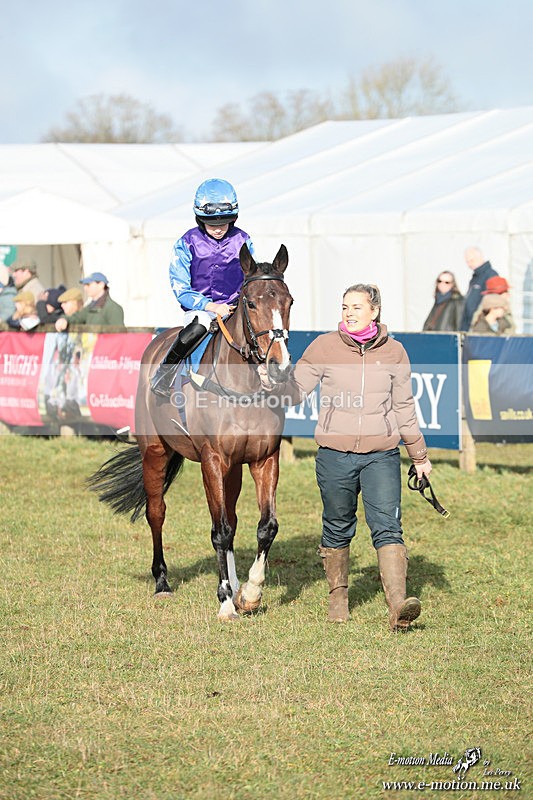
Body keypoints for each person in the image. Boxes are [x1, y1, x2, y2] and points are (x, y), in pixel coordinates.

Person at [287, 284, 432, 630]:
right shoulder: (324, 346)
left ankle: (398, 606)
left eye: (356, 307)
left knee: (388, 526)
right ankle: (338, 599)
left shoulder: (395, 352)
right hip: (334, 456)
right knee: (338, 525)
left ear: (375, 312)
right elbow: (294, 391)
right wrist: (268, 380)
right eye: (344, 307)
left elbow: (404, 407)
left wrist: (419, 455)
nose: (349, 313)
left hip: (381, 455)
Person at [150, 178, 255, 397]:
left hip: (236, 308)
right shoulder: (186, 243)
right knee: (199, 324)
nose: (218, 229)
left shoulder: (243, 240)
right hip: (200, 310)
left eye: (223, 223)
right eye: (211, 223)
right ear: (200, 219)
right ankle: (164, 373)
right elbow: (180, 288)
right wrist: (211, 307)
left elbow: (252, 277)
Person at [55, 272, 124, 330]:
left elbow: (118, 336)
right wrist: (63, 319)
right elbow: (76, 317)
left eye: (88, 285)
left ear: (101, 285)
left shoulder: (113, 308)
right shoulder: (90, 307)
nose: (85, 288)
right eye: (84, 285)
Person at [460, 247, 498, 331]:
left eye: (471, 260)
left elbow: (491, 302)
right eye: (467, 262)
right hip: (468, 324)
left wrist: (480, 321)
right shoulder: (475, 277)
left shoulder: (490, 275)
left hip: (480, 325)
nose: (469, 264)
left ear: (479, 257)